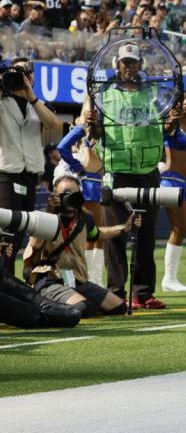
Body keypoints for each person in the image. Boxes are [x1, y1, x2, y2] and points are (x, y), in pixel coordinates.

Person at [87, 42, 166, 310]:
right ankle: (116, 293)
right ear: (116, 65)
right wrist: (93, 126)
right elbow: (96, 134)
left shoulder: (156, 93)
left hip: (147, 171)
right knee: (115, 235)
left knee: (147, 234)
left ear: (140, 65)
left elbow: (167, 126)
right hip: (116, 171)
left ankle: (143, 293)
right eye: (125, 62)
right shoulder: (103, 94)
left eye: (133, 62)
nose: (129, 66)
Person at [22, 174, 137, 317]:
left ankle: (71, 301)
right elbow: (34, 246)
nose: (69, 199)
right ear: (55, 195)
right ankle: (47, 303)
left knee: (119, 307)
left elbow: (97, 235)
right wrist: (50, 211)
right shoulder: (44, 217)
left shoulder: (85, 218)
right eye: (64, 195)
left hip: (78, 281)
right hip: (50, 279)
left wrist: (124, 227)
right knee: (83, 308)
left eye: (73, 195)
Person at [0, 58, 60, 277]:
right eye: (16, 71)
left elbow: (54, 124)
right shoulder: (2, 100)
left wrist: (30, 96)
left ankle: (7, 281)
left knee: (20, 233)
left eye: (26, 71)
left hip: (29, 176)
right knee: (6, 233)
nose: (22, 76)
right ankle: (4, 283)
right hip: (6, 174)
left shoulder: (38, 104)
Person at [55, 117, 105, 284]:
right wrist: (80, 129)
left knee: (95, 237)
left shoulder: (100, 145)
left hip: (95, 190)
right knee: (80, 238)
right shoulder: (76, 153)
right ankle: (84, 280)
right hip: (80, 193)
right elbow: (62, 147)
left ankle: (93, 280)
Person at [160, 92, 186, 293]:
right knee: (179, 227)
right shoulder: (171, 123)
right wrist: (170, 120)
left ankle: (171, 278)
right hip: (170, 180)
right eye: (182, 100)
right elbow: (164, 130)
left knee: (182, 229)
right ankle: (169, 278)